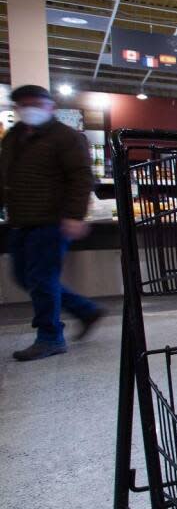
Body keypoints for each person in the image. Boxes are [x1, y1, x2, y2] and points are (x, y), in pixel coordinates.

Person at [1, 84, 104, 361]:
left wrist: (73, 215)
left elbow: (82, 177)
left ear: (50, 106)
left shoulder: (65, 137)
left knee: (41, 278)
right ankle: (86, 310)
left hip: (52, 220)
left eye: (35, 102)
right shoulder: (13, 137)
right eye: (23, 104)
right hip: (20, 219)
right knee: (24, 276)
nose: (29, 108)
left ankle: (49, 337)